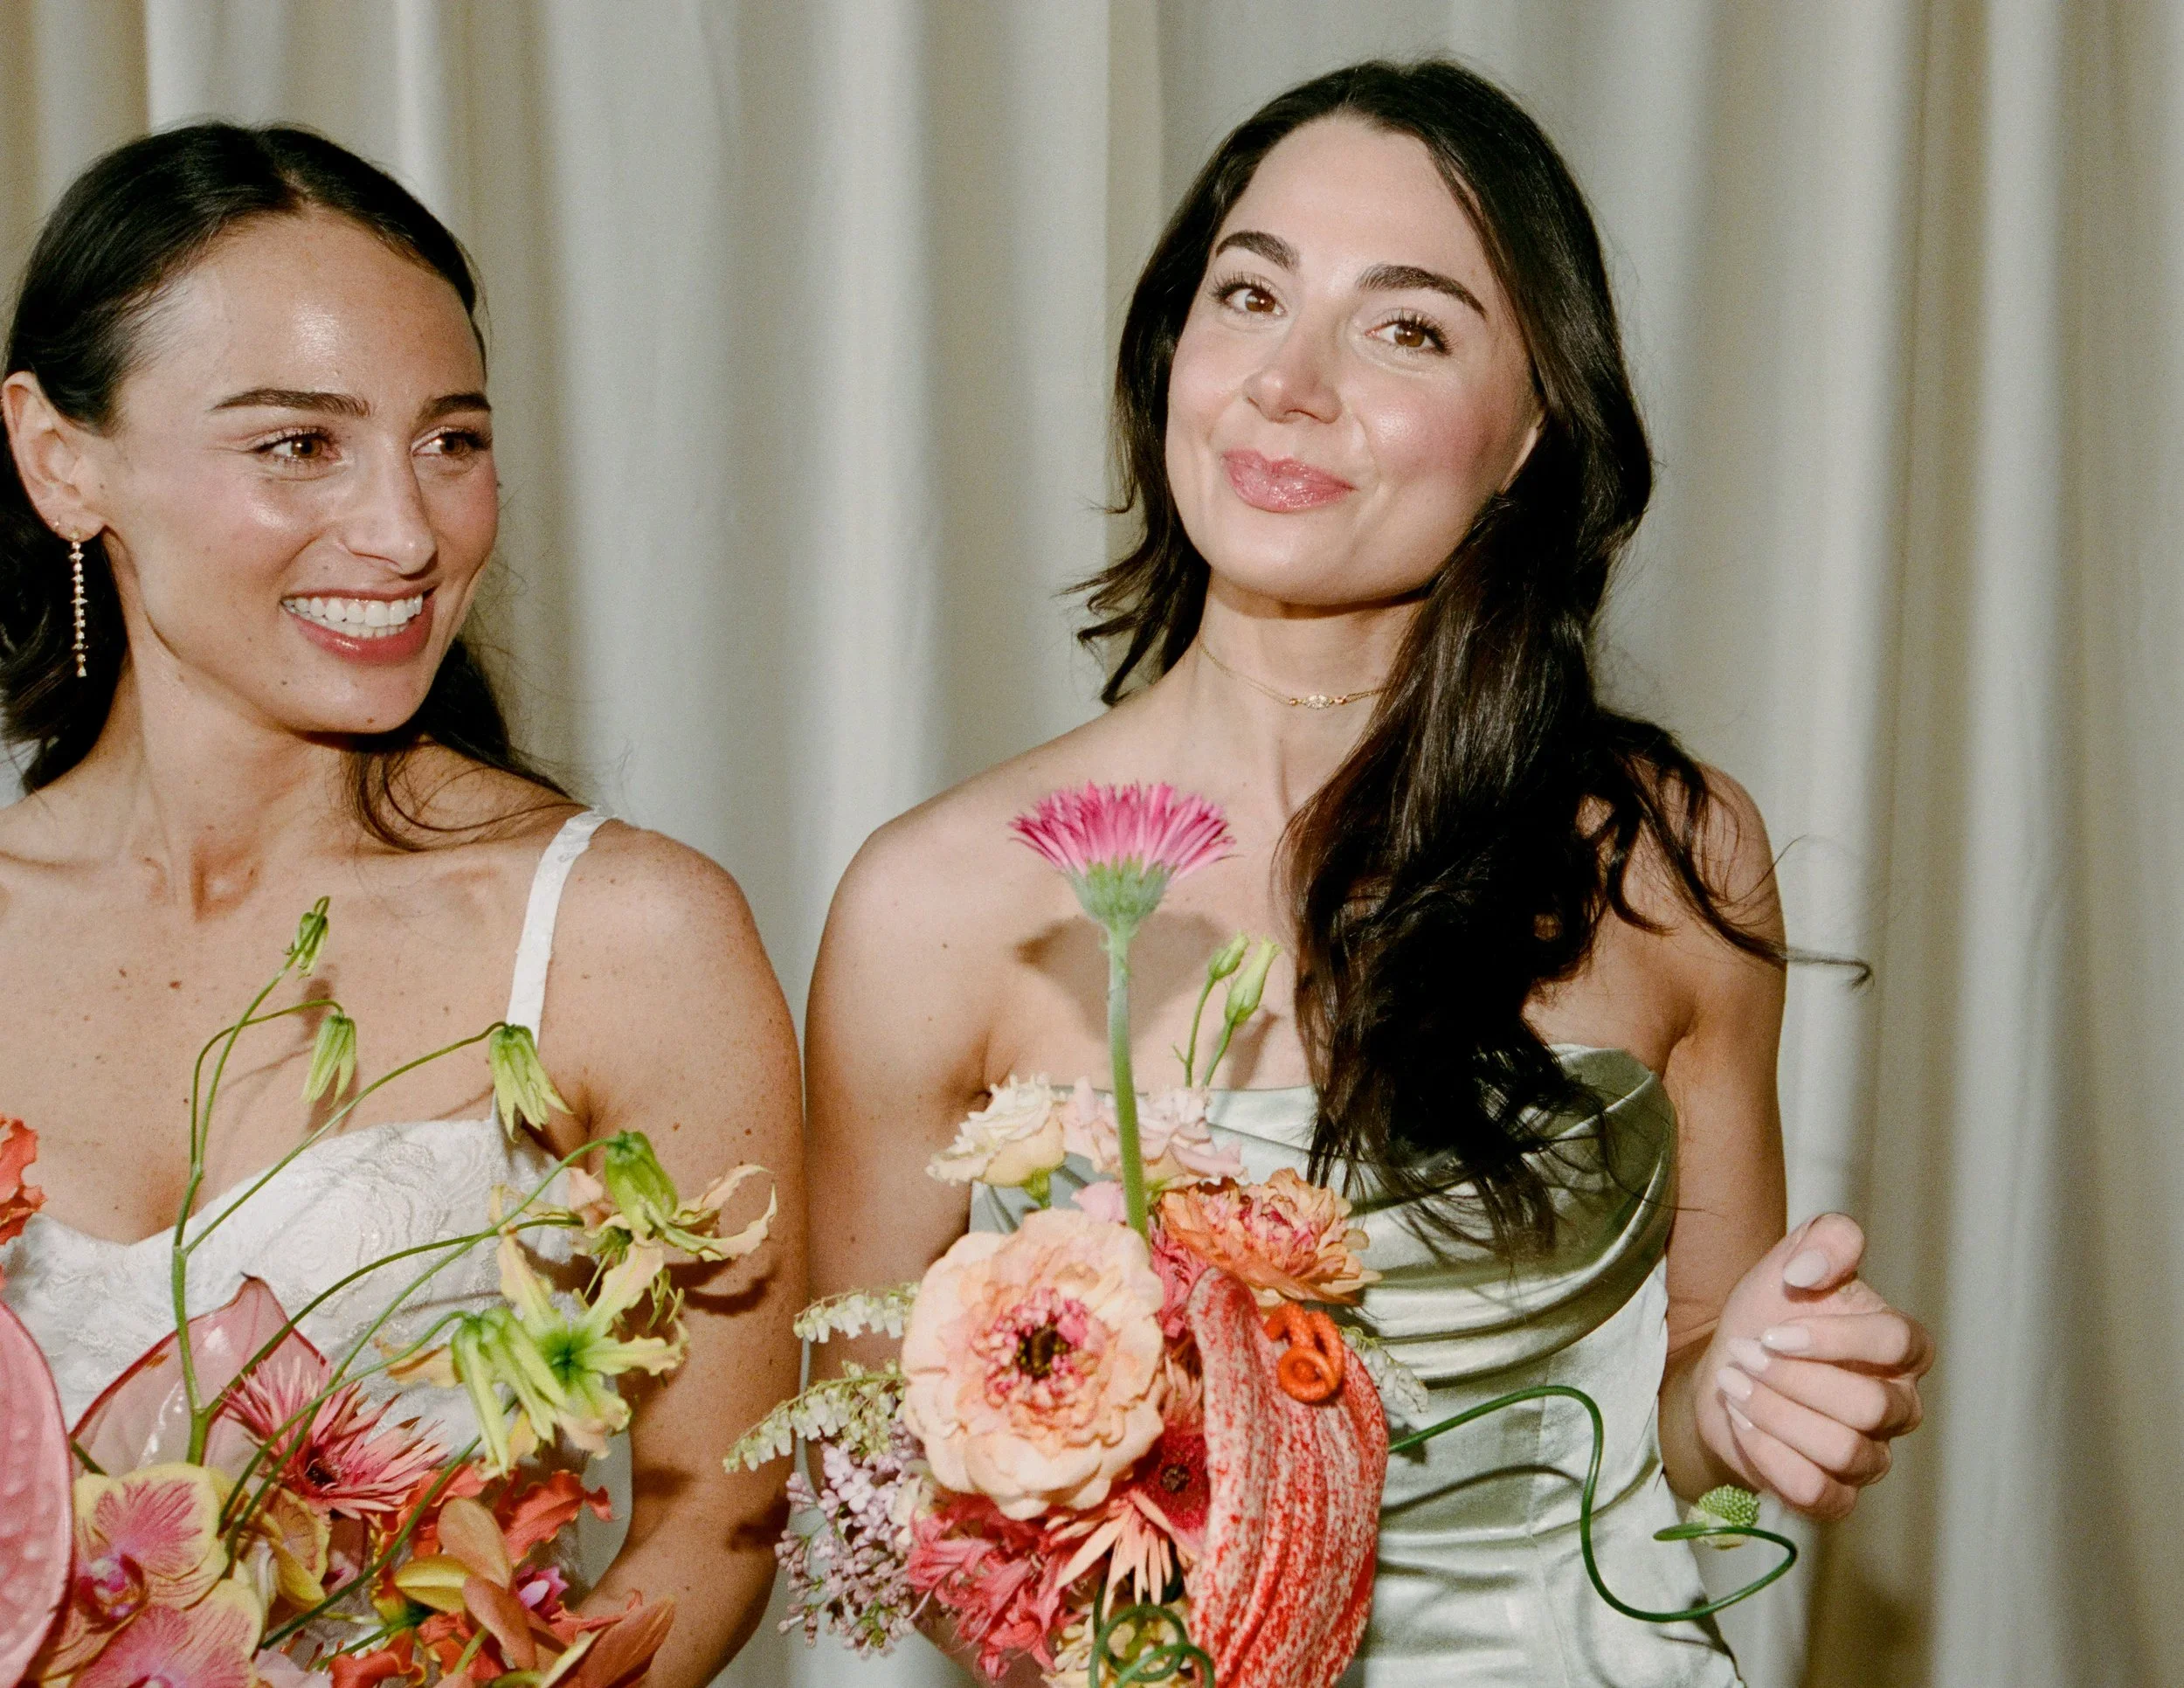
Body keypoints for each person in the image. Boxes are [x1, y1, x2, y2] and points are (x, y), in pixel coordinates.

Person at [807, 59, 1932, 1685]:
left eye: (1406, 327)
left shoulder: (1672, 863)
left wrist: (1739, 1393)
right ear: (1170, 352)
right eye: (1248, 294)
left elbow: (1686, 1394)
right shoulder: (940, 903)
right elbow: (863, 1457)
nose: (1287, 381)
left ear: (1535, 428)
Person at [0, 123, 802, 1680]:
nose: (408, 530)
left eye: (449, 439)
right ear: (59, 459)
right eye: (299, 444)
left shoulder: (626, 937)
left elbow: (718, 1516)